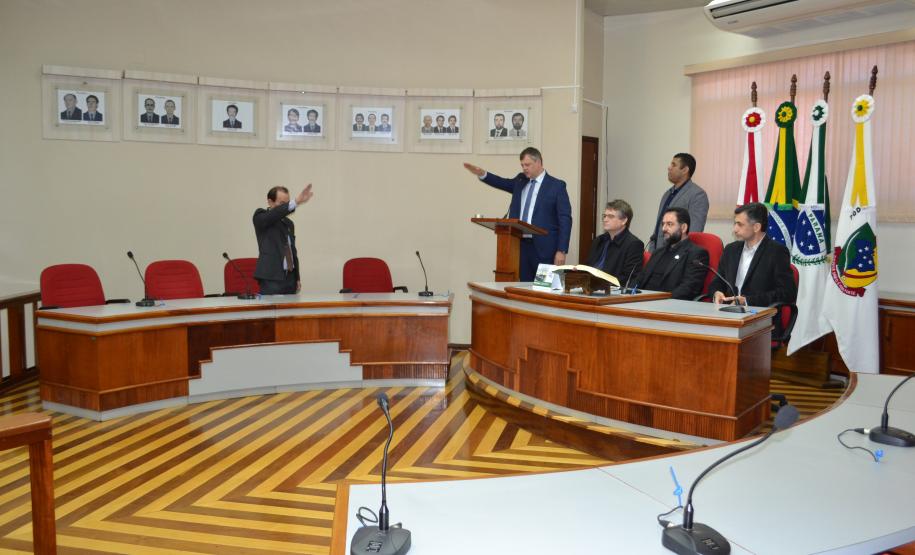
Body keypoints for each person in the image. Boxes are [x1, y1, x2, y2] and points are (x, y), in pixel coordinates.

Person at [463, 147, 572, 281]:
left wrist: (561, 250)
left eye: (527, 165)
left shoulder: (556, 186)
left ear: (538, 162)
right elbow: (501, 182)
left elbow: (565, 219)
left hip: (545, 250)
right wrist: (482, 174)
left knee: (544, 289)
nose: (524, 168)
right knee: (523, 289)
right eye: (522, 165)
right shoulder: (520, 181)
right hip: (520, 247)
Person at [709, 202, 797, 308]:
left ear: (756, 227)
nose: (735, 229)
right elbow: (717, 281)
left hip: (758, 313)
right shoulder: (730, 250)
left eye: (740, 224)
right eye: (735, 223)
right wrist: (717, 292)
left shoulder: (776, 252)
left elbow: (787, 293)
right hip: (727, 311)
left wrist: (747, 301)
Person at [252, 184, 314, 295]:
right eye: (282, 203)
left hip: (290, 279)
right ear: (270, 202)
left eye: (287, 203)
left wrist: (297, 277)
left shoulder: (289, 223)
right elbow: (275, 214)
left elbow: (292, 251)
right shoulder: (261, 216)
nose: (285, 207)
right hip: (271, 278)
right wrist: (296, 202)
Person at [636, 207, 709, 300]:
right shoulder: (658, 252)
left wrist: (659, 300)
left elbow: (689, 289)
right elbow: (640, 279)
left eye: (669, 224)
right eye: (663, 224)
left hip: (667, 303)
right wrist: (627, 293)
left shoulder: (696, 254)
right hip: (642, 301)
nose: (664, 228)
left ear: (683, 228)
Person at [648, 153, 709, 252]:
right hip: (658, 253)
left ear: (685, 170)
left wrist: (677, 255)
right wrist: (652, 252)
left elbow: (694, 231)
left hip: (677, 254)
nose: (669, 167)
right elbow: (658, 228)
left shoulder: (697, 195)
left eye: (674, 165)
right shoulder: (667, 194)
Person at [585, 200, 644, 284]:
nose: (605, 219)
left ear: (624, 220)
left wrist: (601, 284)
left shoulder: (634, 244)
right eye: (604, 216)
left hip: (610, 288)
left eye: (610, 216)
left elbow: (628, 278)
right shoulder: (599, 240)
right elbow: (588, 266)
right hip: (588, 285)